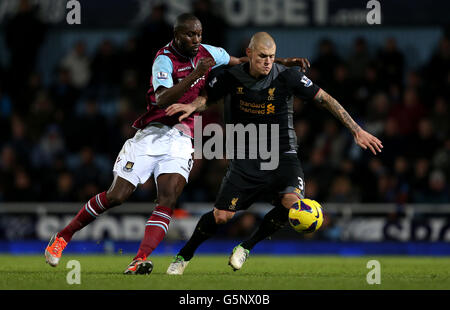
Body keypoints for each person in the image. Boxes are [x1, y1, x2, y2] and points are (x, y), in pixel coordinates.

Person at [44, 14, 310, 275]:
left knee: (168, 197)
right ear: (177, 35)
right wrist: (196, 74)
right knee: (117, 196)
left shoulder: (209, 52)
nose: (196, 39)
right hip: (152, 133)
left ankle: (139, 259)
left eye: (199, 34)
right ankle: (63, 237)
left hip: (181, 138)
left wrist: (283, 62)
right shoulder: (164, 59)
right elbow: (162, 100)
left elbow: (243, 61)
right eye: (190, 35)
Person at [165, 32, 383, 275]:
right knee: (221, 217)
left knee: (294, 205)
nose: (268, 61)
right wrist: (191, 106)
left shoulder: (288, 76)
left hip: (283, 156)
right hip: (245, 159)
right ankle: (184, 255)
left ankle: (246, 247)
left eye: (271, 57)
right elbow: (207, 98)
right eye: (262, 56)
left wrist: (356, 130)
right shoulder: (230, 76)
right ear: (249, 54)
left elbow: (325, 99)